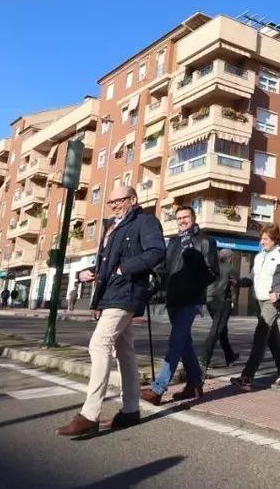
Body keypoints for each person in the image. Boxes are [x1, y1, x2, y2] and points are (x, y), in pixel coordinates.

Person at [55, 185, 165, 436]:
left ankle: (90, 414)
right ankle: (130, 411)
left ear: (133, 199)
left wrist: (124, 269)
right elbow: (108, 262)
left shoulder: (145, 221)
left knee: (99, 344)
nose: (114, 205)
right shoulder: (112, 227)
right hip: (111, 293)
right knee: (124, 351)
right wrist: (91, 272)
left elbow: (157, 251)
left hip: (127, 293)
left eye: (119, 200)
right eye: (111, 201)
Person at [141, 205, 219, 405]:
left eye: (185, 217)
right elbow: (163, 270)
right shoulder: (173, 243)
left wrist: (194, 284)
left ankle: (158, 389)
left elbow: (212, 273)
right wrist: (149, 289)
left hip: (191, 300)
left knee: (175, 341)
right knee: (184, 343)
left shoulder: (206, 241)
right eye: (179, 218)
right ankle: (194, 383)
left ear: (194, 218)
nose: (182, 220)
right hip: (173, 299)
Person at [230, 222, 280, 391]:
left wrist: (279, 292)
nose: (262, 241)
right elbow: (252, 278)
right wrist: (238, 282)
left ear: (274, 239)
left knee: (260, 337)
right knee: (272, 340)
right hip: (259, 302)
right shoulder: (260, 256)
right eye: (261, 238)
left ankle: (246, 377)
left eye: (265, 239)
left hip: (272, 302)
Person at [199, 248, 240, 370]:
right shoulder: (230, 268)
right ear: (229, 258)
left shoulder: (212, 267)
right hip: (223, 301)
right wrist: (233, 300)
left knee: (222, 329)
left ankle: (230, 357)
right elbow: (233, 286)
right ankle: (204, 359)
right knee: (217, 329)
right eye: (232, 258)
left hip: (210, 300)